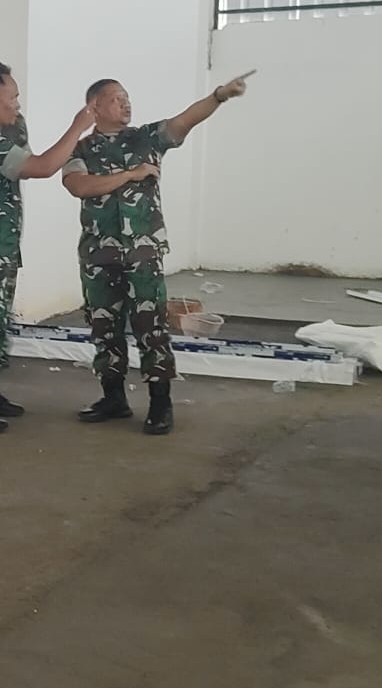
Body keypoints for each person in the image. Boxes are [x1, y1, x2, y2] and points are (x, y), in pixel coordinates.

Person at [63, 70, 253, 436]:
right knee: (104, 328)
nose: (126, 104)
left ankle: (160, 404)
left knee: (151, 327)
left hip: (143, 253)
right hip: (99, 255)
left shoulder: (146, 138)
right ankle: (113, 398)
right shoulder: (80, 149)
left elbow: (185, 120)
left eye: (127, 98)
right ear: (95, 108)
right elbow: (79, 186)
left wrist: (220, 95)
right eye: (117, 99)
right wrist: (129, 175)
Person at [0, 61, 93, 434]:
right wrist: (78, 126)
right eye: (12, 97)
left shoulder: (3, 129)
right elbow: (42, 167)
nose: (18, 103)